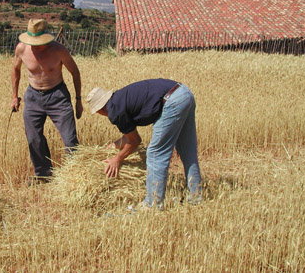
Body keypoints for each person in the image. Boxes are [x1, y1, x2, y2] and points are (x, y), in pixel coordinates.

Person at [87, 79, 202, 209]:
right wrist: (114, 145)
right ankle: (195, 197)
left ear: (101, 109)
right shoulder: (119, 99)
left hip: (171, 102)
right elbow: (129, 136)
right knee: (188, 150)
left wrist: (117, 159)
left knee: (155, 153)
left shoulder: (115, 112)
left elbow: (135, 141)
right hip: (184, 93)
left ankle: (153, 203)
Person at [11, 19, 83, 184]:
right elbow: (15, 69)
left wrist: (78, 100)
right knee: (33, 138)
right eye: (32, 42)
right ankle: (43, 175)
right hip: (33, 97)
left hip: (58, 97)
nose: (35, 46)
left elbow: (75, 72)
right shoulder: (21, 49)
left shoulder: (59, 50)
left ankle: (77, 177)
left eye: (39, 43)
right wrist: (14, 96)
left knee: (70, 139)